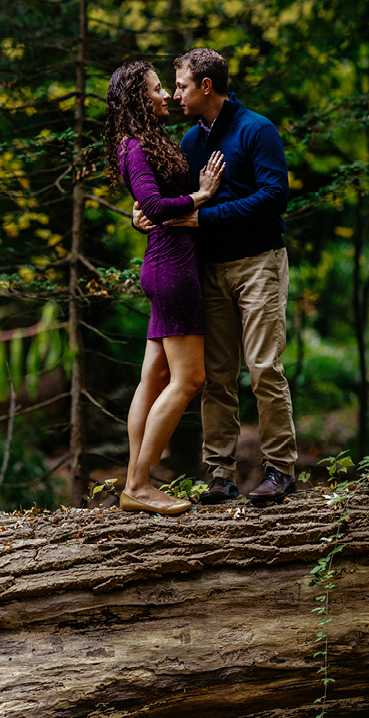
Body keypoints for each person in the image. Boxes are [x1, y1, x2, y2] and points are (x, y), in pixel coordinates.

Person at [134, 48, 297, 505]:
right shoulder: (189, 142)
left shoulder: (257, 130)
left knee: (264, 367)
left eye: (182, 85)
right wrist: (143, 214)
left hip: (259, 262)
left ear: (206, 86)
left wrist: (207, 219)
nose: (176, 93)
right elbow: (178, 201)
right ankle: (220, 476)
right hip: (209, 269)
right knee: (219, 377)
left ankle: (280, 470)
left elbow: (274, 198)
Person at [104, 59, 225, 515]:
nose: (167, 96)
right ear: (139, 97)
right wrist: (201, 195)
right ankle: (138, 484)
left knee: (153, 377)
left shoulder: (149, 141)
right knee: (189, 377)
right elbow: (153, 206)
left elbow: (149, 207)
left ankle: (136, 478)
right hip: (171, 268)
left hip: (168, 264)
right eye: (158, 89)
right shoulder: (134, 146)